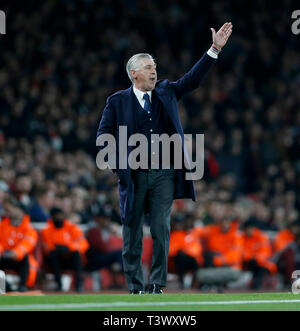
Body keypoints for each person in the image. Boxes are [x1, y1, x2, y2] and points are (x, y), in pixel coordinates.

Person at [97, 22, 233, 294]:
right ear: (134, 74)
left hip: (164, 173)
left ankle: (157, 284)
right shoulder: (117, 102)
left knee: (161, 228)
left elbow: (192, 80)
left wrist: (214, 48)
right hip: (134, 176)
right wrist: (118, 168)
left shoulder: (167, 90)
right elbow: (103, 137)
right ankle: (135, 287)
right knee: (132, 232)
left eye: (154, 67)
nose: (154, 71)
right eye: (148, 68)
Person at [41, 207, 89, 292]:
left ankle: (79, 285)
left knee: (76, 254)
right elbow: (46, 248)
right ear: (51, 218)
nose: (58, 218)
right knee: (53, 254)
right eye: (56, 217)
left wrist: (68, 248)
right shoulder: (47, 230)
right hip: (56, 260)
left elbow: (84, 244)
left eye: (60, 216)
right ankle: (59, 284)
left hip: (70, 258)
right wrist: (57, 248)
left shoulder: (72, 228)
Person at [0, 196, 38, 292]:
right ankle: (5, 286)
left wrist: (16, 252)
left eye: (15, 208)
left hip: (18, 258)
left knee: (24, 257)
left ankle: (22, 286)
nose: (11, 210)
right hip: (2, 255)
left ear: (22, 212)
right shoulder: (2, 225)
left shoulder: (29, 228)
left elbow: (27, 244)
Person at [241, 220, 277, 289]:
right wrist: (251, 257)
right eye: (247, 229)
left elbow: (265, 252)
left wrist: (256, 258)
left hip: (263, 263)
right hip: (249, 262)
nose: (249, 230)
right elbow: (242, 252)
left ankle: (256, 286)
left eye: (251, 228)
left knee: (261, 270)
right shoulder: (242, 238)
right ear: (245, 229)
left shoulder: (261, 237)